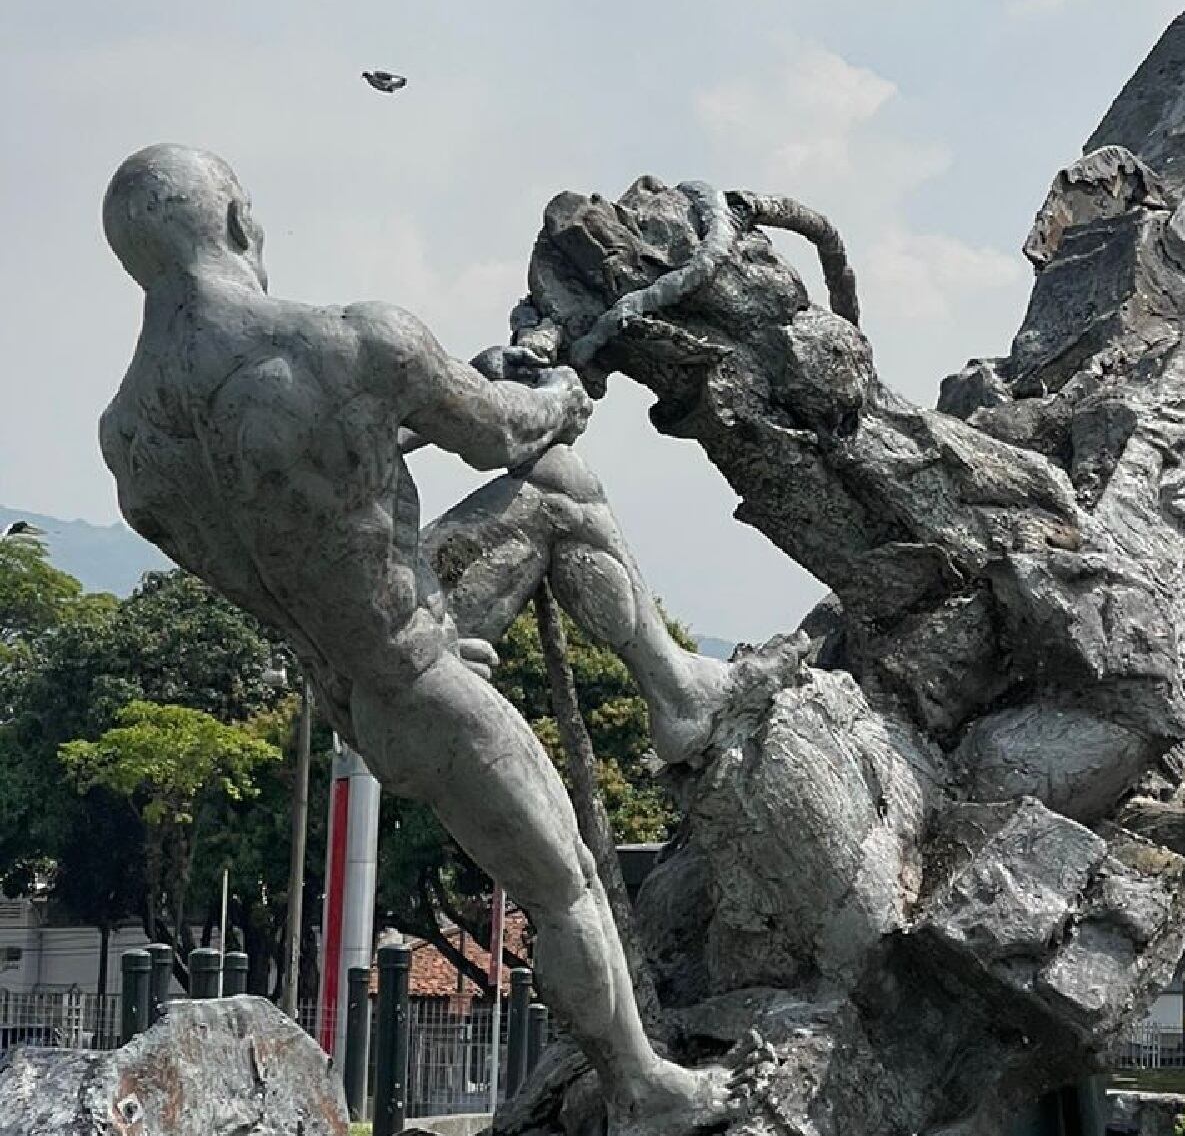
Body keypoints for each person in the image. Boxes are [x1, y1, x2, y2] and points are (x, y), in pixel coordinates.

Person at [100, 143, 766, 1135]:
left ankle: (678, 692)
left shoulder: (129, 442)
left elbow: (282, 510)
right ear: (238, 221)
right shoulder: (354, 339)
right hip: (421, 682)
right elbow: (511, 430)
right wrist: (557, 394)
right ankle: (643, 1086)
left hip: (353, 680)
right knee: (566, 882)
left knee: (555, 499)